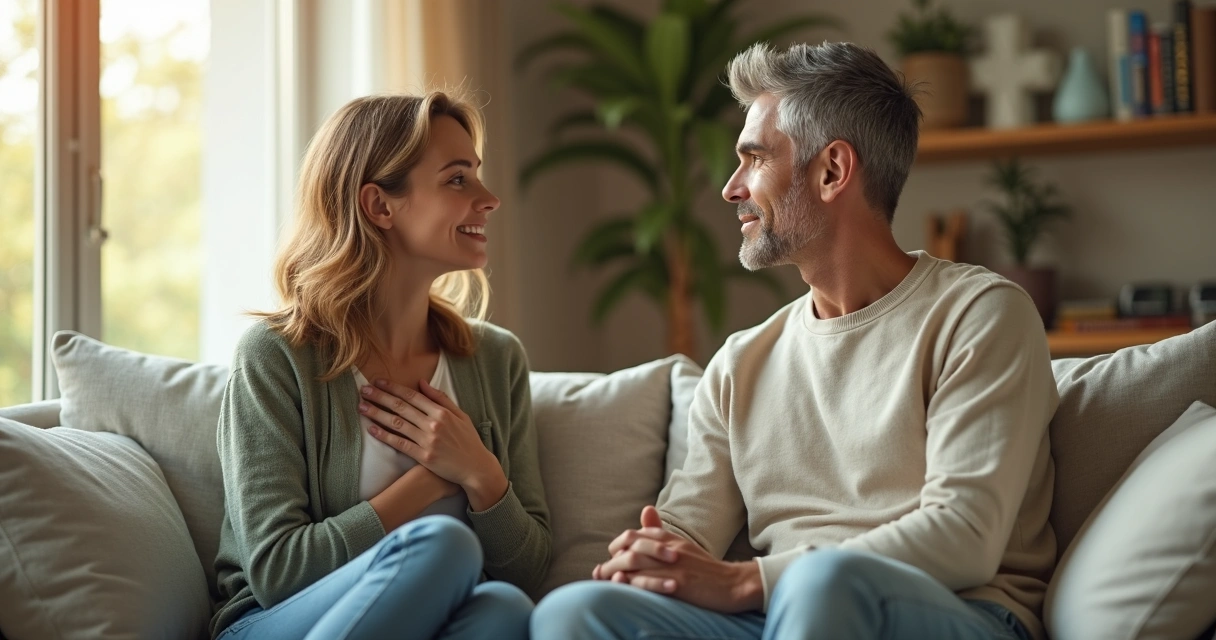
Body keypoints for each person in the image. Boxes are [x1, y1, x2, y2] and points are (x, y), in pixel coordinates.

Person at [532, 41, 1057, 640]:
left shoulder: (981, 314)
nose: (732, 189)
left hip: (957, 611)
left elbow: (966, 536)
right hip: (779, 616)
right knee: (573, 611)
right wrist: (655, 557)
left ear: (832, 170)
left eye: (754, 159)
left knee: (823, 583)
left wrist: (744, 582)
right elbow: (687, 529)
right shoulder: (740, 362)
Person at [210, 91, 551, 640]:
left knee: (504, 610)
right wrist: (429, 480)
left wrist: (482, 475)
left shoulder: (496, 359)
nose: (489, 199)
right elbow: (277, 572)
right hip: (274, 625)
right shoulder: (276, 357)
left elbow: (528, 572)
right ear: (379, 205)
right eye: (458, 179)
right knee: (445, 546)